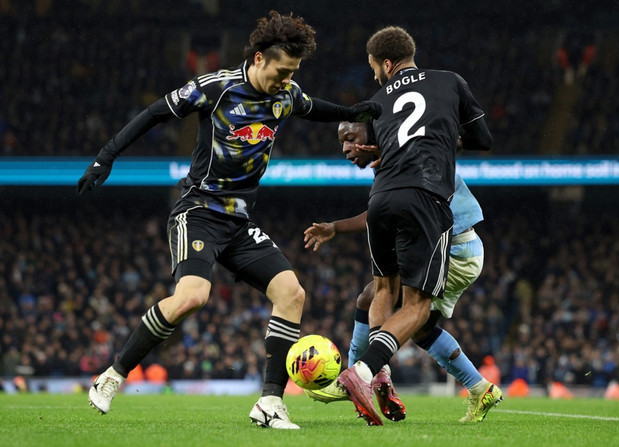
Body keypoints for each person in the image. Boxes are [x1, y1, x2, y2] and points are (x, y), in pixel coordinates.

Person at [77, 11, 381, 430]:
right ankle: (112, 375)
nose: (287, 80)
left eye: (293, 73)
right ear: (258, 59)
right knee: (193, 296)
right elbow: (155, 113)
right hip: (198, 211)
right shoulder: (216, 88)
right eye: (282, 71)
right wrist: (106, 156)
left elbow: (318, 110)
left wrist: (356, 113)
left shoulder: (286, 96)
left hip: (238, 222)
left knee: (292, 293)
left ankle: (270, 403)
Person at [332, 26, 494, 426]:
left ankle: (364, 372)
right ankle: (370, 373)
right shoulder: (449, 82)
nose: (374, 77)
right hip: (424, 206)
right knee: (409, 313)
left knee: (394, 303)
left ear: (387, 63)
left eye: (374, 68)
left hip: (420, 221)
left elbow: (381, 140)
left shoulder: (377, 103)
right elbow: (482, 138)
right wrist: (446, 136)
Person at [303, 121, 502, 424]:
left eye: (350, 139)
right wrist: (335, 227)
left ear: (371, 136)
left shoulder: (405, 153)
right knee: (418, 328)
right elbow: (380, 213)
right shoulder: (392, 159)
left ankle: (360, 375)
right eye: (342, 142)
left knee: (373, 297)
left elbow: (451, 147)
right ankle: (480, 388)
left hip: (453, 249)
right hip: (454, 248)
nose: (345, 149)